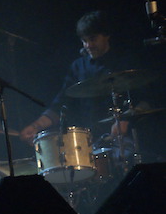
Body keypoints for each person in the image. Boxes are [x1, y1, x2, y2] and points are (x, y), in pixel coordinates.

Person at [20, 10, 149, 144]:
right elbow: (61, 104)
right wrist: (35, 126)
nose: (88, 45)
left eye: (93, 39)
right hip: (91, 142)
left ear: (106, 35)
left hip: (128, 139)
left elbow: (146, 99)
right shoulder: (78, 67)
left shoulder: (125, 63)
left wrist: (125, 120)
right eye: (84, 40)